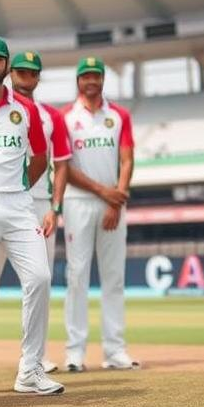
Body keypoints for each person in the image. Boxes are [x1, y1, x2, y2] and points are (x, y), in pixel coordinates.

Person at [0, 36, 64, 397]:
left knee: (39, 277)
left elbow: (39, 157)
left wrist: (18, 188)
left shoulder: (25, 109)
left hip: (19, 205)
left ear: (6, 66)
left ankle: (30, 370)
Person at [0, 50, 72, 374]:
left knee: (39, 278)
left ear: (38, 77)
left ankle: (35, 361)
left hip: (32, 204)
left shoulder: (46, 115)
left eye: (31, 72)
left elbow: (53, 163)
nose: (25, 77)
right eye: (20, 71)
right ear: (11, 72)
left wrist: (52, 207)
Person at [62, 56, 138, 371]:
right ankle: (75, 353)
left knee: (114, 278)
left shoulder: (119, 115)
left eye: (96, 75)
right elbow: (63, 168)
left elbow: (127, 160)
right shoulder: (66, 116)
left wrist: (114, 200)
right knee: (77, 276)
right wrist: (105, 193)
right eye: (86, 76)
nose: (91, 81)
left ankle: (114, 350)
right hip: (78, 202)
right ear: (78, 81)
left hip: (112, 207)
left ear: (103, 79)